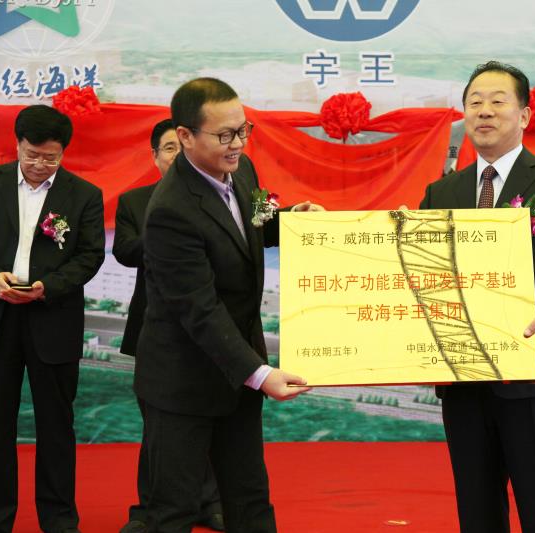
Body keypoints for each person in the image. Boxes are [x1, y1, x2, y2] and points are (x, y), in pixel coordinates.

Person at [418, 61, 535, 533]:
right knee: (478, 511)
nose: (484, 111)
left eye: (497, 101)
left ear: (524, 115)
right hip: (465, 380)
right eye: (474, 102)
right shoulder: (441, 192)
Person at [134, 77, 319, 533]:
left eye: (243, 130)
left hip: (237, 373)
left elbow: (248, 227)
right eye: (224, 135)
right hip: (183, 384)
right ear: (185, 136)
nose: (237, 144)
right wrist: (260, 373)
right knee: (172, 511)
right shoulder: (171, 210)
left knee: (249, 499)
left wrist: (291, 223)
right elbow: (199, 310)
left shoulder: (241, 169)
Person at [0, 105, 105, 533]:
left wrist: (47, 286)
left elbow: (90, 256)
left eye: (50, 157)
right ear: (17, 145)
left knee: (56, 426)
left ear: (63, 152)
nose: (40, 164)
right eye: (32, 154)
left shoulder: (83, 195)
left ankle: (58, 521)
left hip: (52, 318)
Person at [113, 119, 224, 533]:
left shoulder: (220, 197)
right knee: (159, 425)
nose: (176, 155)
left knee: (210, 418)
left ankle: (209, 502)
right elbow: (125, 251)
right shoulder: (136, 201)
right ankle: (149, 509)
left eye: (182, 146)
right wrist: (170, 229)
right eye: (168, 148)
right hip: (154, 329)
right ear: (155, 157)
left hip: (211, 326)